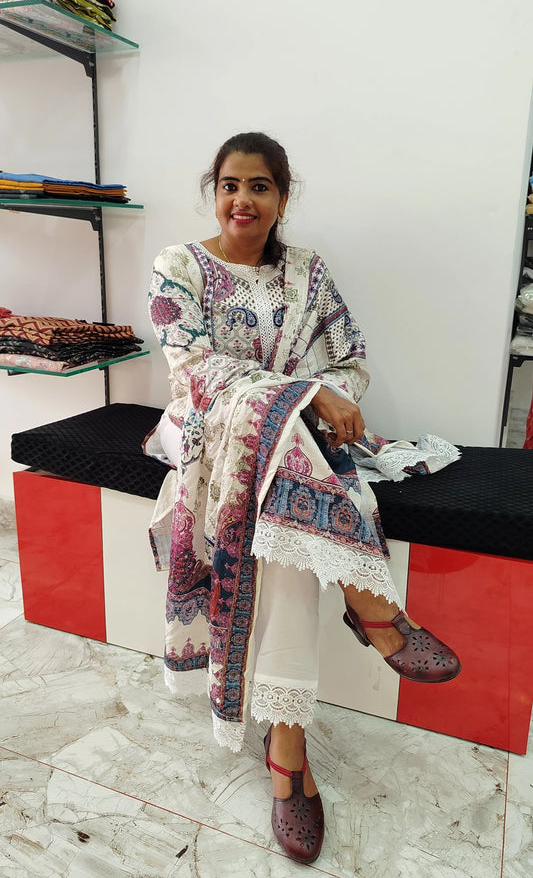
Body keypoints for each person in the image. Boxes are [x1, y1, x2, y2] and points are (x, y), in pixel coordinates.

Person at [146, 131, 461, 866]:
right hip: (200, 429)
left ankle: (287, 748)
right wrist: (300, 396)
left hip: (290, 449)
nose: (241, 199)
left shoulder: (307, 274)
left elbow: (348, 357)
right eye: (228, 184)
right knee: (274, 427)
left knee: (282, 494)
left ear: (282, 197)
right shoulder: (177, 267)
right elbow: (190, 368)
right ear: (212, 190)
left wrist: (320, 397)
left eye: (259, 186)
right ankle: (370, 606)